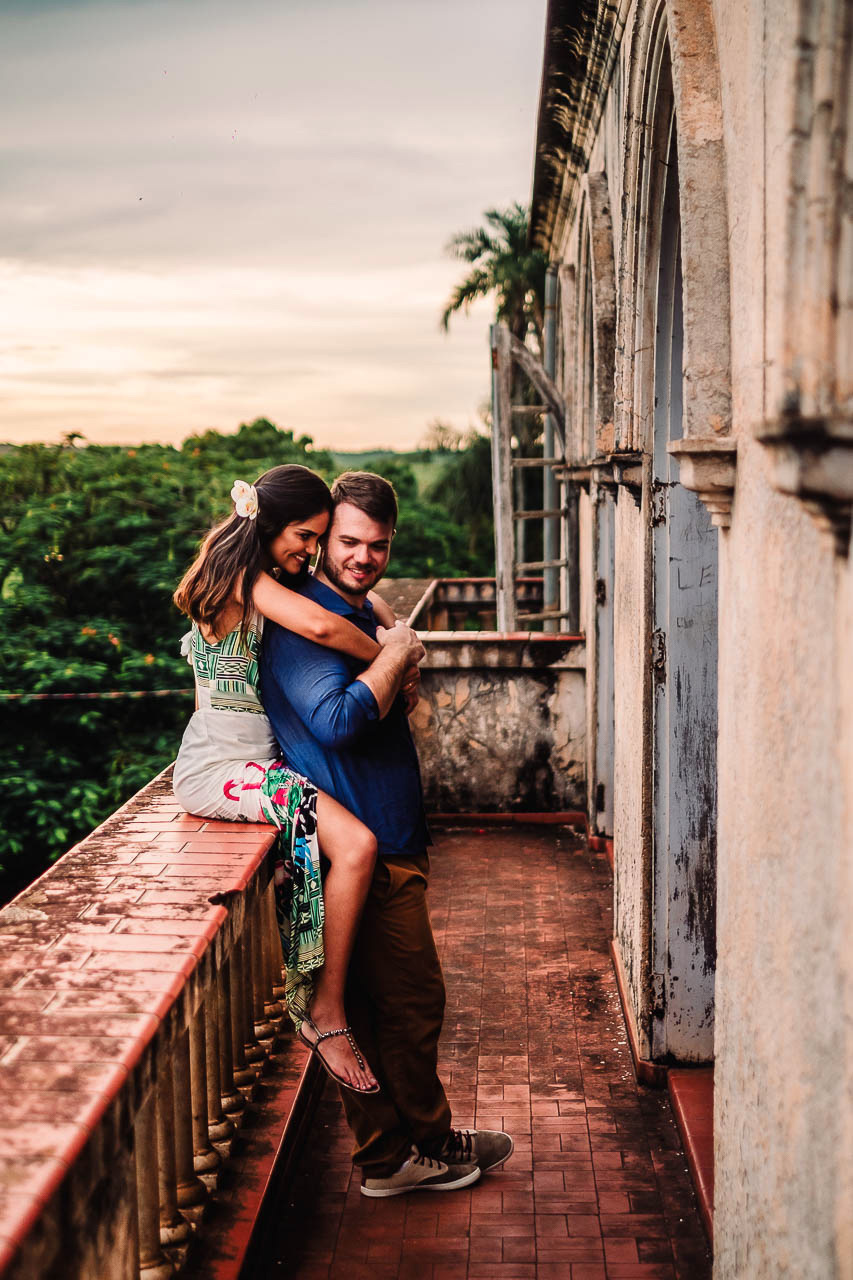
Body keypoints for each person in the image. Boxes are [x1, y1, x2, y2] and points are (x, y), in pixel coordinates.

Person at [259, 471, 513, 1197]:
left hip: (387, 837)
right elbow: (336, 722)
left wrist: (391, 638)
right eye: (346, 541)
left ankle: (411, 1147)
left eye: (378, 545)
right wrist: (399, 652)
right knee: (406, 1007)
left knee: (391, 1009)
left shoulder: (357, 608)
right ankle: (400, 1157)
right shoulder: (303, 620)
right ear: (319, 539)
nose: (362, 556)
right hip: (358, 847)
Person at [172, 464, 425, 1095]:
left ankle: (331, 1006)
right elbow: (318, 626)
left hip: (259, 764)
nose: (310, 552)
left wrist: (390, 636)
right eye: (307, 537)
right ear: (270, 525)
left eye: (318, 540)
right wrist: (394, 655)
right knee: (358, 846)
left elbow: (362, 609)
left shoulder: (264, 579)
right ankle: (326, 1012)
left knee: (342, 845)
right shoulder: (244, 579)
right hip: (223, 769)